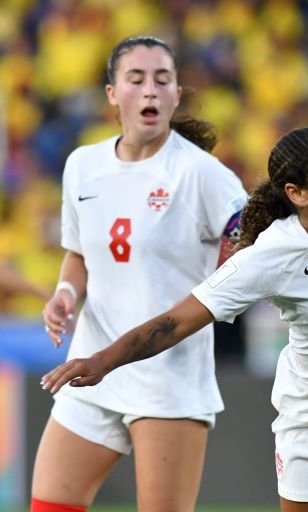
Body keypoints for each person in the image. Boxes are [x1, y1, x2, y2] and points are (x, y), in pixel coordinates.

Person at [32, 35, 247, 512]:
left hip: (167, 376)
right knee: (48, 505)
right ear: (112, 93)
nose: (150, 90)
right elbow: (79, 254)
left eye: (162, 80)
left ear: (175, 95)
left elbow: (248, 254)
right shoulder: (82, 166)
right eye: (136, 79)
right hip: (90, 367)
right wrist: (65, 293)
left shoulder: (204, 176)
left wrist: (234, 260)